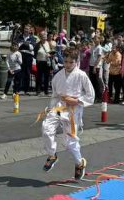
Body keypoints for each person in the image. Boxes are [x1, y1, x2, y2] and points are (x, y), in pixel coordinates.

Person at [41, 47, 95, 180]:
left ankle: (79, 163)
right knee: (46, 128)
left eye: (71, 62)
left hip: (73, 109)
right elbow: (54, 95)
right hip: (59, 106)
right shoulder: (58, 76)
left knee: (70, 142)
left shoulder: (81, 75)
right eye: (65, 61)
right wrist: (50, 108)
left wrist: (77, 100)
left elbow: (91, 95)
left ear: (76, 62)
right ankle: (52, 155)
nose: (68, 64)